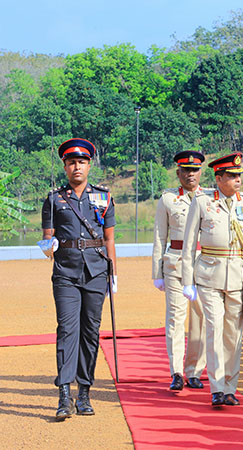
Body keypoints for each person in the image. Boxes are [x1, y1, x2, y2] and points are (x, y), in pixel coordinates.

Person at [180, 152, 243, 407]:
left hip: (240, 277)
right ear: (218, 179)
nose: (238, 180)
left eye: (239, 176)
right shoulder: (202, 201)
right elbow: (188, 244)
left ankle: (230, 387)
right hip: (209, 275)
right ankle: (217, 387)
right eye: (231, 176)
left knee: (233, 335)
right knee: (214, 329)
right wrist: (187, 280)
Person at [39, 138, 117, 420]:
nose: (77, 167)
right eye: (71, 162)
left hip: (96, 272)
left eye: (81, 162)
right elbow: (47, 238)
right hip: (65, 273)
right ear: (65, 166)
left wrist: (113, 273)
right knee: (66, 330)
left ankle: (84, 392)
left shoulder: (103, 197)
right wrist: (48, 246)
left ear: (89, 165)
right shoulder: (53, 199)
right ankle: (64, 394)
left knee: (90, 332)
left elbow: (109, 239)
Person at [151, 150, 208, 392]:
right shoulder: (168, 199)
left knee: (201, 318)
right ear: (178, 172)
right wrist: (157, 273)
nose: (190, 174)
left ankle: (194, 371)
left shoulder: (210, 198)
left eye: (194, 170)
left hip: (204, 265)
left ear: (200, 172)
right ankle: (176, 371)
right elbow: (159, 237)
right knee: (175, 318)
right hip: (176, 263)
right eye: (186, 170)